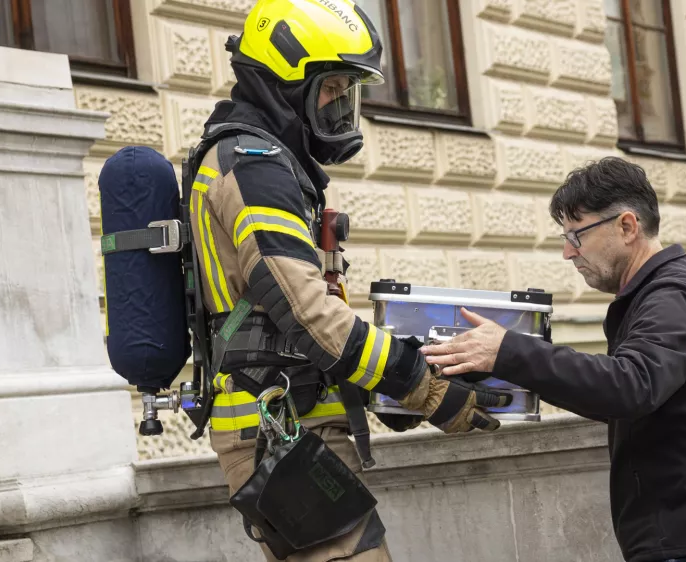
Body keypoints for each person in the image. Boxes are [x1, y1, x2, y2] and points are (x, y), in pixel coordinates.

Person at [186, 1, 509, 560]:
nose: (341, 106)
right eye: (331, 88)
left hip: (291, 427)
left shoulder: (266, 162)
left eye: (347, 90)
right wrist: (425, 388)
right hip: (281, 433)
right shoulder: (254, 165)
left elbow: (296, 325)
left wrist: (384, 385)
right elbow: (306, 312)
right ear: (286, 83)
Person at [421, 156, 686, 562]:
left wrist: (508, 350)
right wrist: (509, 366)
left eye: (576, 236)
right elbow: (618, 395)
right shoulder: (657, 295)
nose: (567, 253)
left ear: (627, 227)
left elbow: (630, 385)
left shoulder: (673, 296)